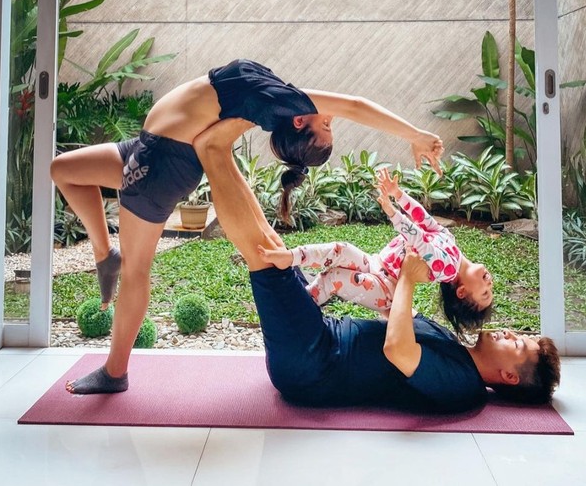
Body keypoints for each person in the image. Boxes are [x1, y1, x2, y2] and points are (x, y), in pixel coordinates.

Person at [54, 58, 443, 395]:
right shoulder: (274, 98)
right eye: (329, 124)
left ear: (300, 120)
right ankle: (104, 253)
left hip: (161, 166)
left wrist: (417, 136)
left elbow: (355, 105)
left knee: (136, 271)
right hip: (144, 147)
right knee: (63, 170)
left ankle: (114, 372)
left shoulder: (279, 102)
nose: (330, 118)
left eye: (325, 124)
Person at [188, 118, 560, 413]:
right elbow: (390, 307)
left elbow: (398, 350)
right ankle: (216, 151)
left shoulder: (463, 386)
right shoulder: (454, 346)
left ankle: (212, 151)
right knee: (273, 246)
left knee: (263, 256)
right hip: (322, 336)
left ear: (510, 376)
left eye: (518, 344)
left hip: (313, 363)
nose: (509, 332)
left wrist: (408, 279)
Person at [259, 167, 493, 336]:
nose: (489, 284)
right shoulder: (451, 242)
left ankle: (297, 312)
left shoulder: (448, 269)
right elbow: (424, 219)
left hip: (386, 288)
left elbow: (419, 240)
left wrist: (393, 212)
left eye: (484, 293)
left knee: (334, 278)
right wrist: (398, 194)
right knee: (341, 249)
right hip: (375, 263)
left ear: (462, 291)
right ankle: (290, 258)